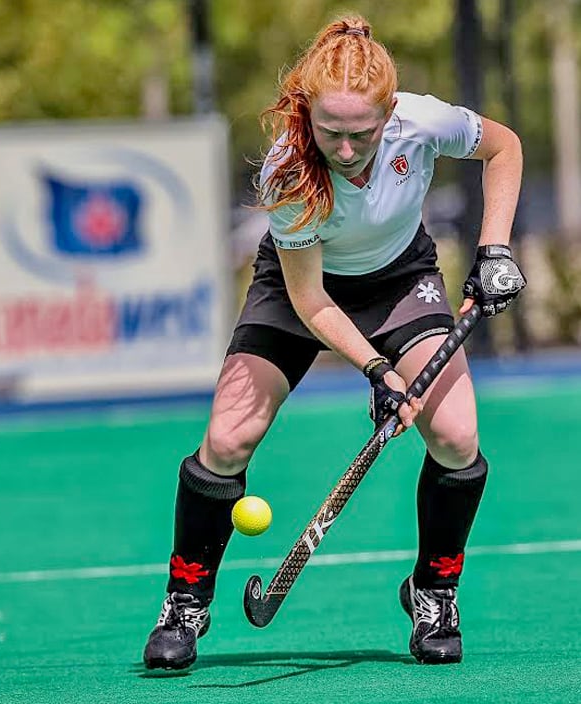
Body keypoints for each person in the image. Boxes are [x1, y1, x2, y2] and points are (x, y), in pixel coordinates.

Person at [142, 14, 526, 670]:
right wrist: (378, 369)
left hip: (401, 279)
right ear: (306, 114)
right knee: (229, 439)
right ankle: (186, 599)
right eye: (331, 133)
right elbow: (313, 300)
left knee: (457, 437)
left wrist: (493, 248)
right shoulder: (288, 166)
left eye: (362, 134)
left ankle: (433, 590)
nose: (346, 151)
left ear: (389, 114)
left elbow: (506, 147)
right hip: (301, 290)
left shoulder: (423, 121)